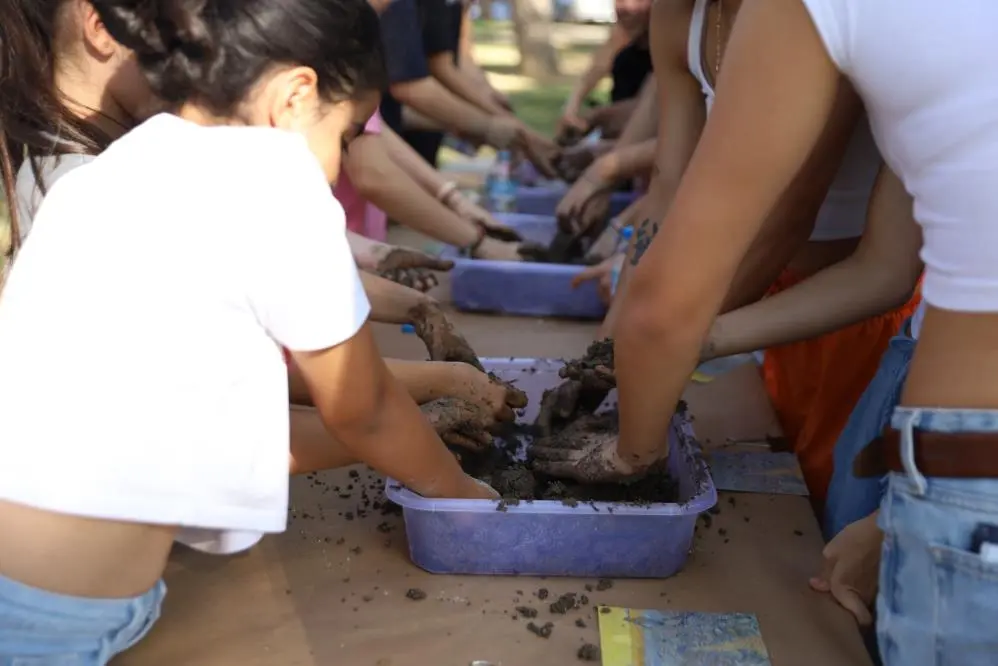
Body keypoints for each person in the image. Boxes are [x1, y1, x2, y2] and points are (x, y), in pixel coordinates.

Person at [0, 0, 501, 658]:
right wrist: (467, 497)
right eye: (345, 138)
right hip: (59, 618)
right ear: (296, 95)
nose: (334, 171)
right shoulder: (279, 182)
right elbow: (365, 406)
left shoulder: (121, 164)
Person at [544, 0, 998, 663]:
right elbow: (885, 267)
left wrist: (631, 446)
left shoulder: (808, 13)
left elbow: (787, 224)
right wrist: (641, 346)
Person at [542, 0, 921, 511]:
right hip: (767, 302)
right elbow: (667, 193)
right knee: (787, 488)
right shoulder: (678, 17)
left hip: (853, 314)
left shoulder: (810, 16)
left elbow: (789, 212)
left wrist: (661, 339)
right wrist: (610, 346)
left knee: (828, 508)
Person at [556, 0, 654, 142]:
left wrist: (597, 116)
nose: (627, 7)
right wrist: (571, 108)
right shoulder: (626, 36)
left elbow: (651, 108)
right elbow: (597, 67)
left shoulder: (669, 47)